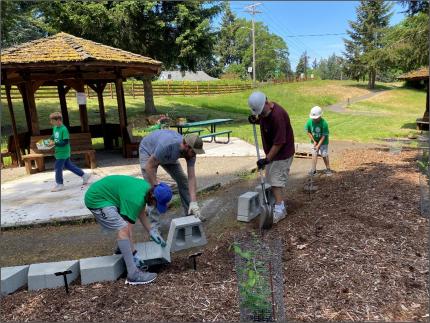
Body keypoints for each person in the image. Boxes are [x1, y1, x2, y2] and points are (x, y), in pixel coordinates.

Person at [84, 175, 173, 285]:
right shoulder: (135, 199)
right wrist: (134, 253)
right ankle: (133, 274)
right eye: (157, 204)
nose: (155, 207)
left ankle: (122, 249)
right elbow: (127, 230)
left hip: (108, 197)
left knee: (125, 229)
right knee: (124, 229)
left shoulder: (146, 189)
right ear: (153, 196)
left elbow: (140, 210)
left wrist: (151, 231)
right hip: (97, 200)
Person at [139, 130, 205, 230]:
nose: (194, 155)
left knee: (183, 181)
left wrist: (194, 202)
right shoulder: (167, 145)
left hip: (168, 156)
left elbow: (191, 177)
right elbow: (149, 166)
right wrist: (156, 187)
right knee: (151, 191)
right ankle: (154, 227)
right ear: (186, 145)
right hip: (148, 151)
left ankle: (192, 214)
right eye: (194, 152)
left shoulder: (190, 153)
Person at [248, 91, 295, 224]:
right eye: (259, 114)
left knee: (275, 181)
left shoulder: (278, 115)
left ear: (267, 104)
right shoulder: (265, 112)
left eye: (261, 113)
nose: (261, 115)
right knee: (271, 177)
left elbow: (279, 142)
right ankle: (277, 202)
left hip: (283, 153)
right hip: (274, 153)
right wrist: (256, 120)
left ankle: (280, 210)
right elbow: (265, 120)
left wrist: (267, 159)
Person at [48, 112, 91, 192]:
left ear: (58, 120)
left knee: (57, 168)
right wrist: (50, 139)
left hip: (63, 152)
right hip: (58, 151)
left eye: (52, 121)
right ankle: (84, 175)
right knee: (68, 165)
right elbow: (54, 135)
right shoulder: (55, 127)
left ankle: (60, 184)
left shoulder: (64, 129)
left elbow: (65, 142)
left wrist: (54, 143)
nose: (51, 122)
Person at [305, 106, 332, 176]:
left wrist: (318, 145)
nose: (314, 120)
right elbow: (307, 131)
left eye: (316, 118)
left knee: (324, 154)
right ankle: (313, 170)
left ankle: (328, 169)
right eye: (313, 118)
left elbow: (324, 136)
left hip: (323, 142)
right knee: (314, 153)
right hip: (314, 141)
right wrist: (314, 141)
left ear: (320, 116)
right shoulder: (309, 122)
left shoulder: (324, 123)